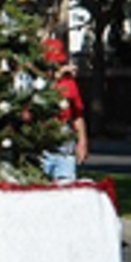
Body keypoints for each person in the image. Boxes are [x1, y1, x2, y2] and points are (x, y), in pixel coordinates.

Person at [39, 38, 88, 181]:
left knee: (66, 184)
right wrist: (56, 78)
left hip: (64, 139)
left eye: (59, 63)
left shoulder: (69, 83)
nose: (57, 67)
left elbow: (77, 114)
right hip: (43, 138)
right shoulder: (39, 82)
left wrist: (82, 142)